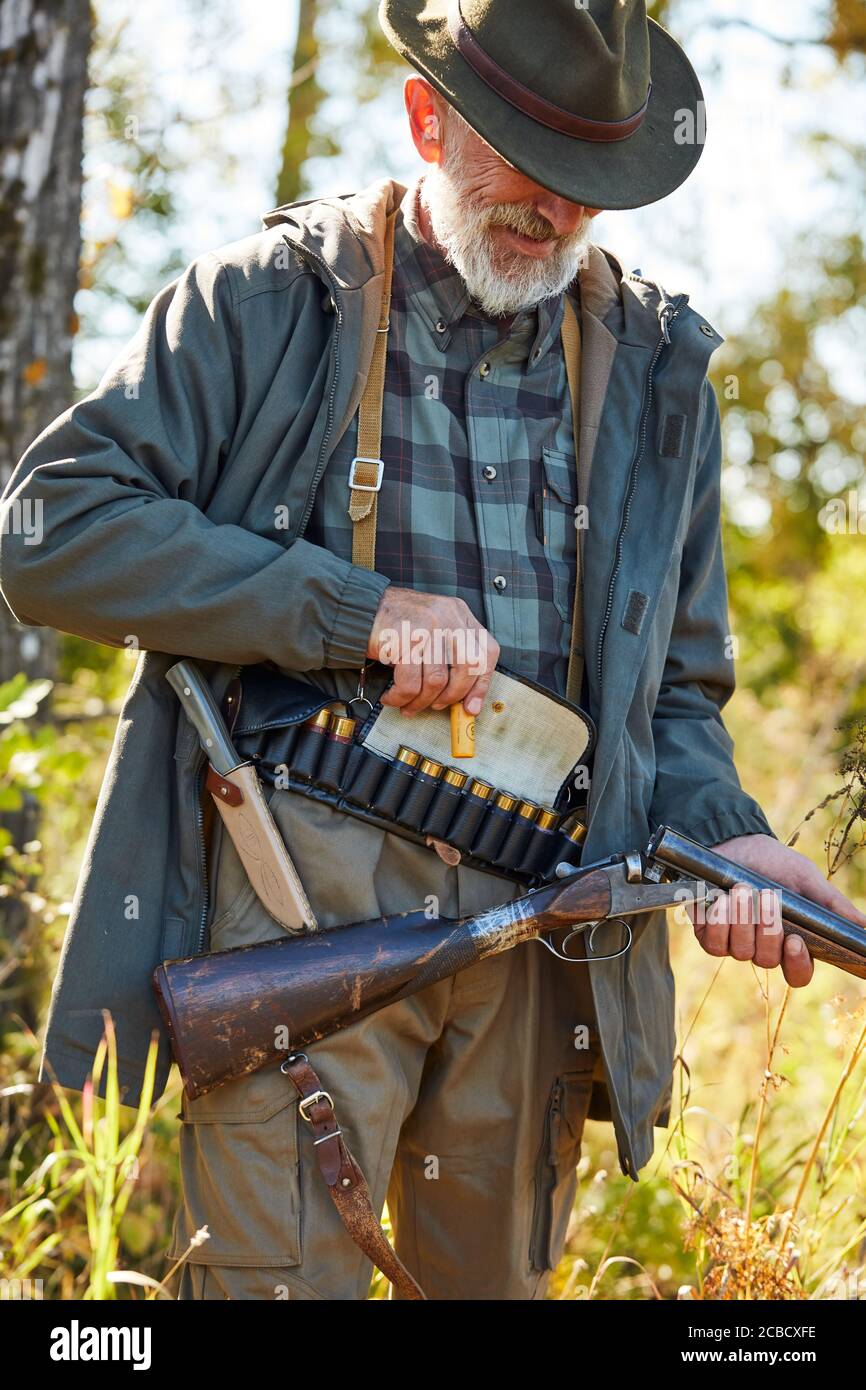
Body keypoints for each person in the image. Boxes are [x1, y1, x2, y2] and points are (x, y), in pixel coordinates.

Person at [2, 0, 863, 1301]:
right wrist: (353, 613)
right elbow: (50, 529)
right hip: (292, 912)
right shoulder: (262, 300)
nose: (561, 215)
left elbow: (671, 694)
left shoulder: (658, 369)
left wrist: (726, 835)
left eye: (590, 186)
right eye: (532, 169)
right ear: (424, 120)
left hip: (543, 935)